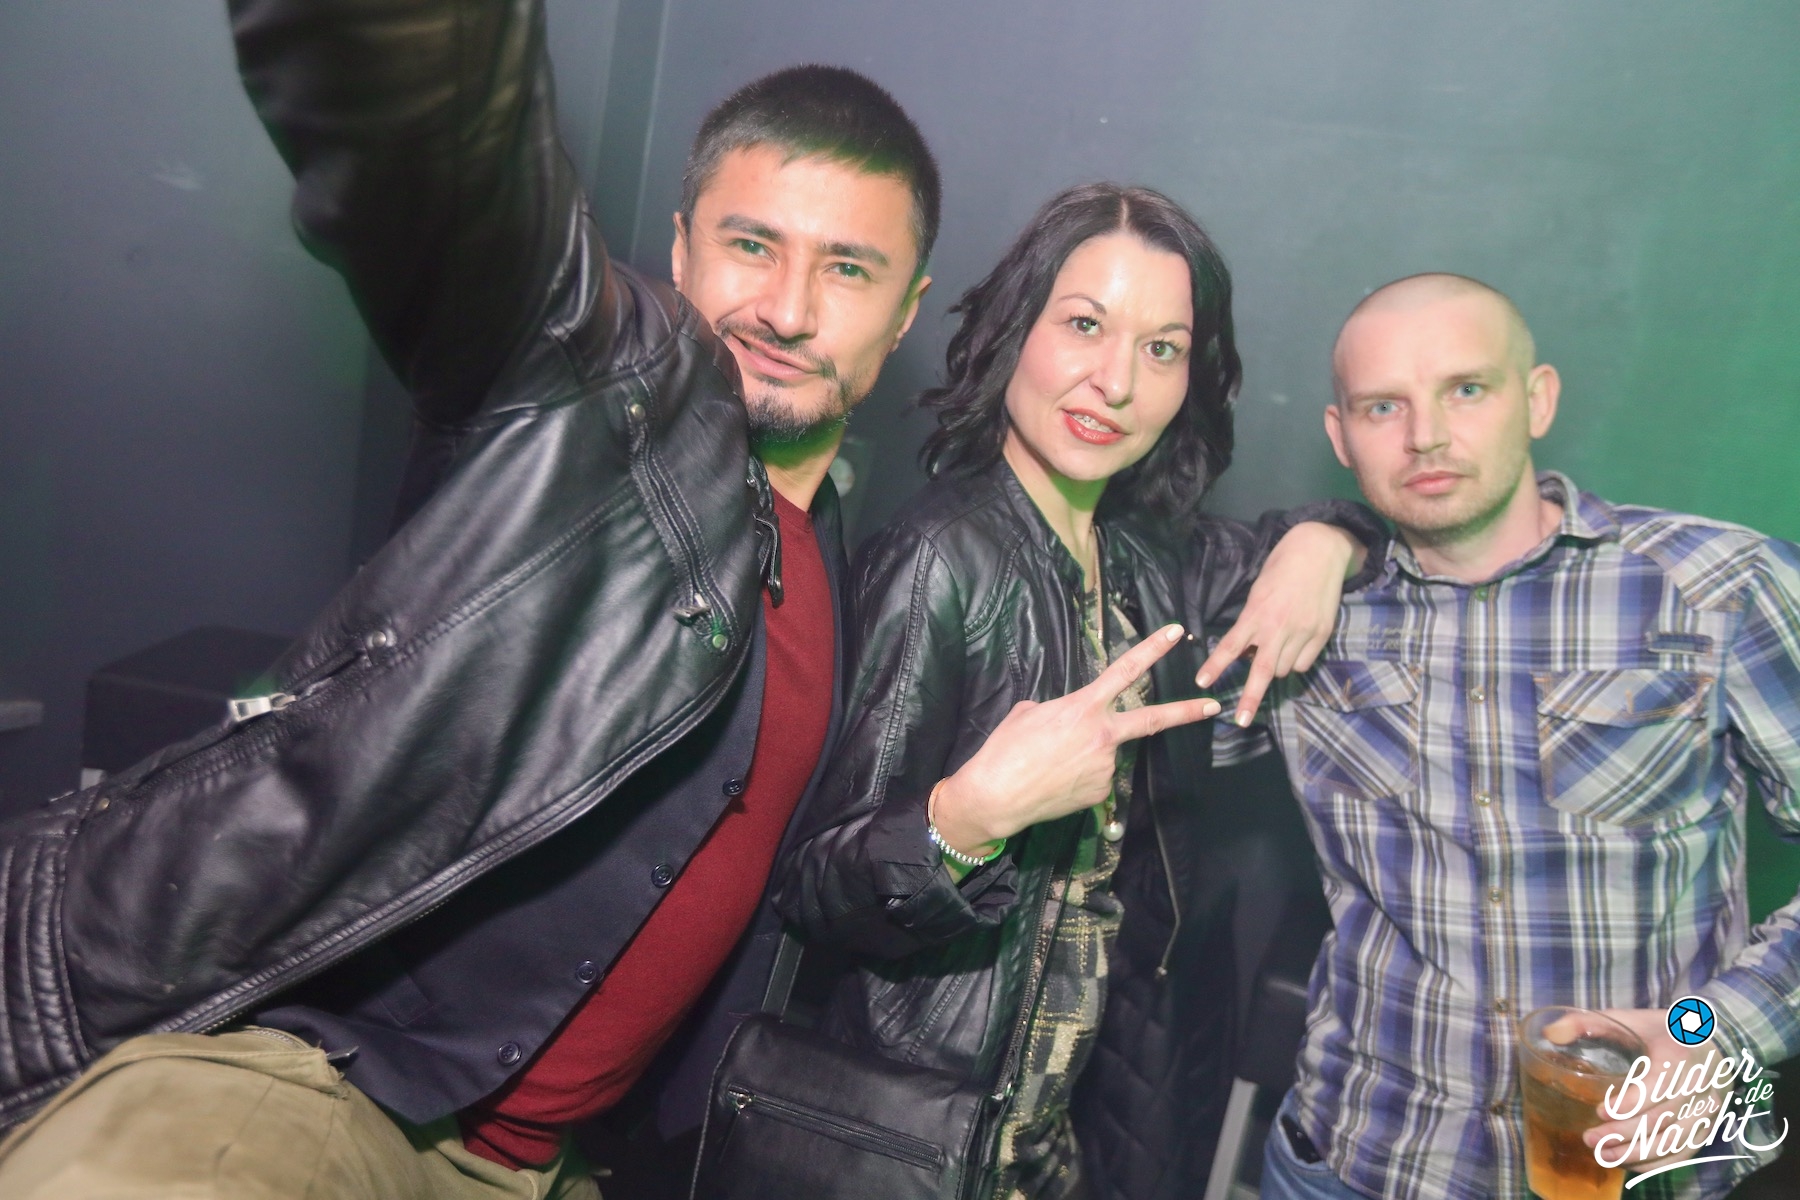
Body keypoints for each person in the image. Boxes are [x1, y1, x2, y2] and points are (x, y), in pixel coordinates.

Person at [0, 3, 1368, 1198]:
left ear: (907, 312)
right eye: (751, 246)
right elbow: (438, 144)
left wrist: (1334, 530)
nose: (787, 306)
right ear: (680, 247)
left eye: (847, 270)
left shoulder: (837, 566)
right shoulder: (583, 418)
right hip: (311, 1089)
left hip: (555, 1169)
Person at [772, 183, 1384, 1200]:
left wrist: (1330, 540)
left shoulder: (1143, 560)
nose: (1116, 381)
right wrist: (969, 817)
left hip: (1062, 1144)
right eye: (1085, 325)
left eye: (1162, 349)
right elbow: (811, 890)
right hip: (920, 1148)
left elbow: (1341, 536)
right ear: (1017, 327)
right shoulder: (941, 560)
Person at [1225, 272, 1800, 1200]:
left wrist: (1719, 1029)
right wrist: (1316, 536)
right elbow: (1136, 748)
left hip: (1636, 1173)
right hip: (1355, 1161)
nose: (1426, 435)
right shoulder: (1306, 620)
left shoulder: (1718, 588)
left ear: (1537, 400)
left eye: (1466, 389)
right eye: (1383, 406)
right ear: (1340, 436)